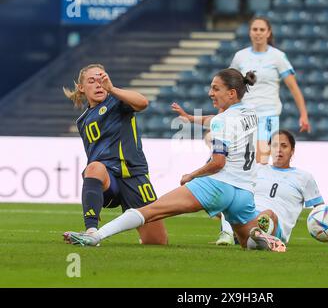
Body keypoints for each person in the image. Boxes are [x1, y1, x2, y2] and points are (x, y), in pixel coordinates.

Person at [63, 68, 286, 252]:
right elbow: (219, 119)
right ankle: (266, 233)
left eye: (215, 89)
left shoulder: (221, 123)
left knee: (150, 211)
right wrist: (191, 118)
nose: (210, 93)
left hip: (217, 187)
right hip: (244, 192)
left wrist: (192, 175)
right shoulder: (251, 112)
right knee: (248, 242)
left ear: (232, 93)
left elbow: (218, 162)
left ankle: (96, 235)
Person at [62, 63, 168, 245]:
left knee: (157, 243)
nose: (98, 84)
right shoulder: (82, 120)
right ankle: (91, 231)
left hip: (134, 176)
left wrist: (112, 89)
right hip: (108, 179)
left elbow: (143, 102)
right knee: (94, 167)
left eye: (101, 79)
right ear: (81, 87)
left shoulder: (117, 101)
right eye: (91, 80)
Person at [218, 130, 328, 248]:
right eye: (274, 146)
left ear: (292, 151)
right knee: (230, 196)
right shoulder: (256, 170)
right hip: (249, 217)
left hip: (275, 226)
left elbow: (321, 211)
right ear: (269, 149)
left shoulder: (304, 177)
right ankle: (234, 235)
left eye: (284, 146)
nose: (278, 150)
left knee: (268, 214)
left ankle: (255, 237)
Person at [229, 16, 310, 164]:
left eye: (262, 29)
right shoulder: (240, 57)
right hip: (244, 114)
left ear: (268, 33)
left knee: (261, 160)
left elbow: (293, 87)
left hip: (267, 115)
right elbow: (230, 87)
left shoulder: (277, 57)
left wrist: (303, 114)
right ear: (249, 32)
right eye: (255, 29)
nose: (258, 33)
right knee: (241, 162)